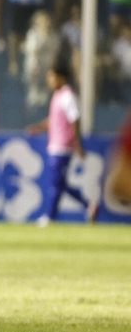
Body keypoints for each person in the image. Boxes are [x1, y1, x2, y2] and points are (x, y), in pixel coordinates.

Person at [27, 61, 99, 226]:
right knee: (60, 183)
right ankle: (89, 205)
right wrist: (39, 127)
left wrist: (77, 144)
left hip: (63, 146)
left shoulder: (68, 96)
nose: (49, 80)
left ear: (60, 77)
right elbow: (54, 120)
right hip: (55, 144)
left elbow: (75, 119)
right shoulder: (58, 96)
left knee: (56, 183)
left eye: (51, 77)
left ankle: (50, 217)